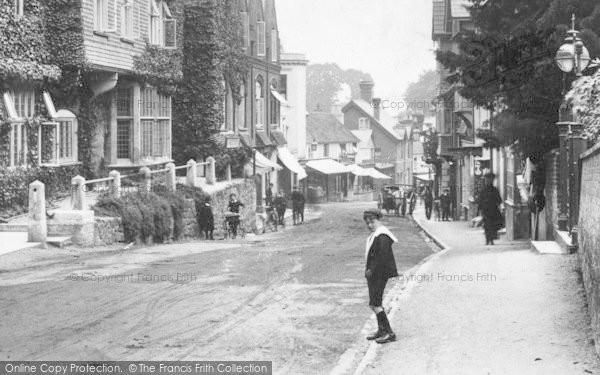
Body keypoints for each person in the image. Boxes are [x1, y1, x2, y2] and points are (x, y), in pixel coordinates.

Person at [363, 209, 398, 344]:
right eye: (368, 223)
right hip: (374, 274)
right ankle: (381, 330)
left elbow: (381, 258)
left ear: (378, 220)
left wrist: (371, 270)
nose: (370, 225)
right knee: (374, 304)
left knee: (375, 304)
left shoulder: (382, 236)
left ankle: (389, 332)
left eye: (372, 222)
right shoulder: (376, 235)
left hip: (379, 274)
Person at [478, 172, 503, 245]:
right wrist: (480, 210)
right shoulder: (483, 190)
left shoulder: (495, 190)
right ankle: (487, 239)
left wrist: (500, 207)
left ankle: (491, 239)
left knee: (493, 225)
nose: (488, 181)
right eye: (487, 180)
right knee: (487, 225)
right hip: (486, 211)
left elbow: (499, 200)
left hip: (494, 210)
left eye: (490, 180)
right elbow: (480, 200)